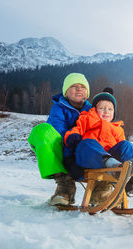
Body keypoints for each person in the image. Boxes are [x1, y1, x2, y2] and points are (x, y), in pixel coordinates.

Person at [64, 87, 133, 206]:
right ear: (95, 109)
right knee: (87, 143)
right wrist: (72, 137)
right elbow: (76, 130)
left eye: (110, 109)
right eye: (102, 108)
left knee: (127, 145)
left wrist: (125, 157)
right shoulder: (87, 119)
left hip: (114, 160)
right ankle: (114, 166)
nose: (106, 111)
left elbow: (122, 149)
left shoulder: (117, 129)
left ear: (114, 113)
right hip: (89, 158)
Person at [28, 72, 92, 206]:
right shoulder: (59, 108)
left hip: (86, 152)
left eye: (82, 87)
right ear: (66, 93)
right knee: (41, 130)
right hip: (62, 149)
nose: (79, 89)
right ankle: (65, 185)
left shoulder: (93, 110)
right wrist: (71, 150)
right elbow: (58, 131)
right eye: (74, 86)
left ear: (87, 93)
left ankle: (105, 188)